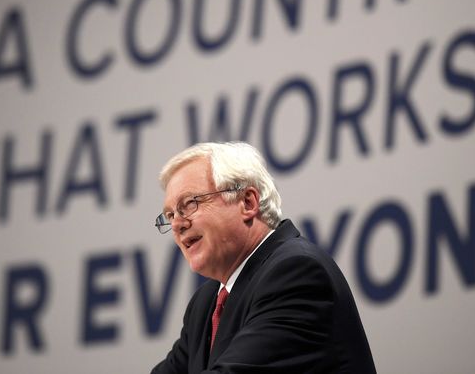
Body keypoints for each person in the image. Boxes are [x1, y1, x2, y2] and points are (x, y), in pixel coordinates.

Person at [151, 142, 376, 373]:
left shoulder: (296, 274)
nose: (177, 224)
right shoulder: (205, 303)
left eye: (189, 204)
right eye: (170, 215)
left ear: (247, 202)